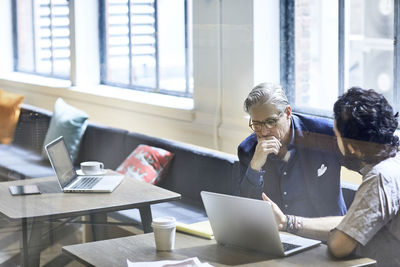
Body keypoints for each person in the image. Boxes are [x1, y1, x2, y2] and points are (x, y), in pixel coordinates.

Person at [263, 87, 400, 266]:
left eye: (337, 137)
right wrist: (288, 222)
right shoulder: (394, 161)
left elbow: (338, 246)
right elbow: (353, 223)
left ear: (351, 147)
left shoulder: (380, 178)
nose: (336, 144)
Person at [238, 83, 347, 217]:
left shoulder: (326, 135)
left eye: (271, 121)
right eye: (256, 124)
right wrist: (255, 167)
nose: (264, 131)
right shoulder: (248, 150)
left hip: (326, 233)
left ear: (288, 112)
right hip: (278, 234)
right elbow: (245, 209)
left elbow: (367, 167)